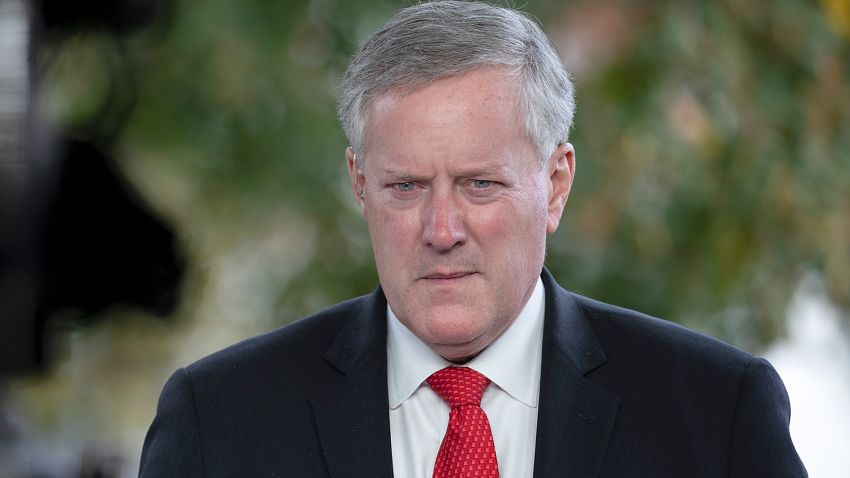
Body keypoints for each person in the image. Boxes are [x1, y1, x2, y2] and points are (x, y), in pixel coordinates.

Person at [139, 1, 807, 476]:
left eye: (479, 184)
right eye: (406, 187)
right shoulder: (217, 422)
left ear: (556, 184)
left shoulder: (715, 415)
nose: (442, 230)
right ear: (360, 184)